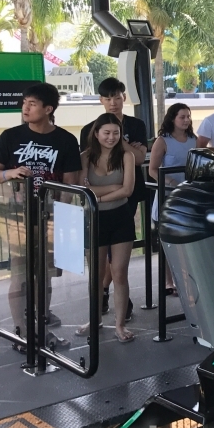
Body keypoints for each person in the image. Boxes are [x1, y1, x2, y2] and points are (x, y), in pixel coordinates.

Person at [0, 83, 81, 351]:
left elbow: (70, 185)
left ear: (48, 109)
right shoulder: (10, 136)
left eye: (33, 104)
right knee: (21, 275)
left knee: (46, 276)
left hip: (50, 216)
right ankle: (22, 333)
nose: (25, 108)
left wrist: (60, 221)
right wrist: (10, 173)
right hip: (17, 217)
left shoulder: (65, 140)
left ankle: (42, 328)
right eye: (24, 102)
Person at [79, 78, 147, 317]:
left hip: (126, 201)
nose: (113, 102)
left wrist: (122, 142)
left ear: (123, 98)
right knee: (100, 260)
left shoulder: (136, 125)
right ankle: (102, 299)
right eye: (107, 98)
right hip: (96, 209)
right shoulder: (88, 131)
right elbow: (83, 181)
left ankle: (118, 304)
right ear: (101, 101)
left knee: (119, 260)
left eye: (117, 97)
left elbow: (139, 160)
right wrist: (112, 188)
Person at [77, 113, 136, 343]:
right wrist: (113, 186)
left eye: (116, 132)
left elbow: (128, 190)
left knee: (120, 273)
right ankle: (95, 318)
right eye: (107, 132)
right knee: (97, 275)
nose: (111, 137)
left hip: (121, 216)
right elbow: (83, 190)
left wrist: (98, 196)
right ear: (96, 133)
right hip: (94, 219)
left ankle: (119, 324)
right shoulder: (85, 157)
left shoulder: (127, 156)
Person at [149, 103, 196, 296]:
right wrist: (168, 181)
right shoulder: (163, 140)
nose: (186, 120)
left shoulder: (194, 139)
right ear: (173, 119)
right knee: (167, 241)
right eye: (182, 117)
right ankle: (169, 281)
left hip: (187, 196)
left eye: (188, 117)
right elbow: (152, 169)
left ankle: (187, 279)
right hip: (167, 196)